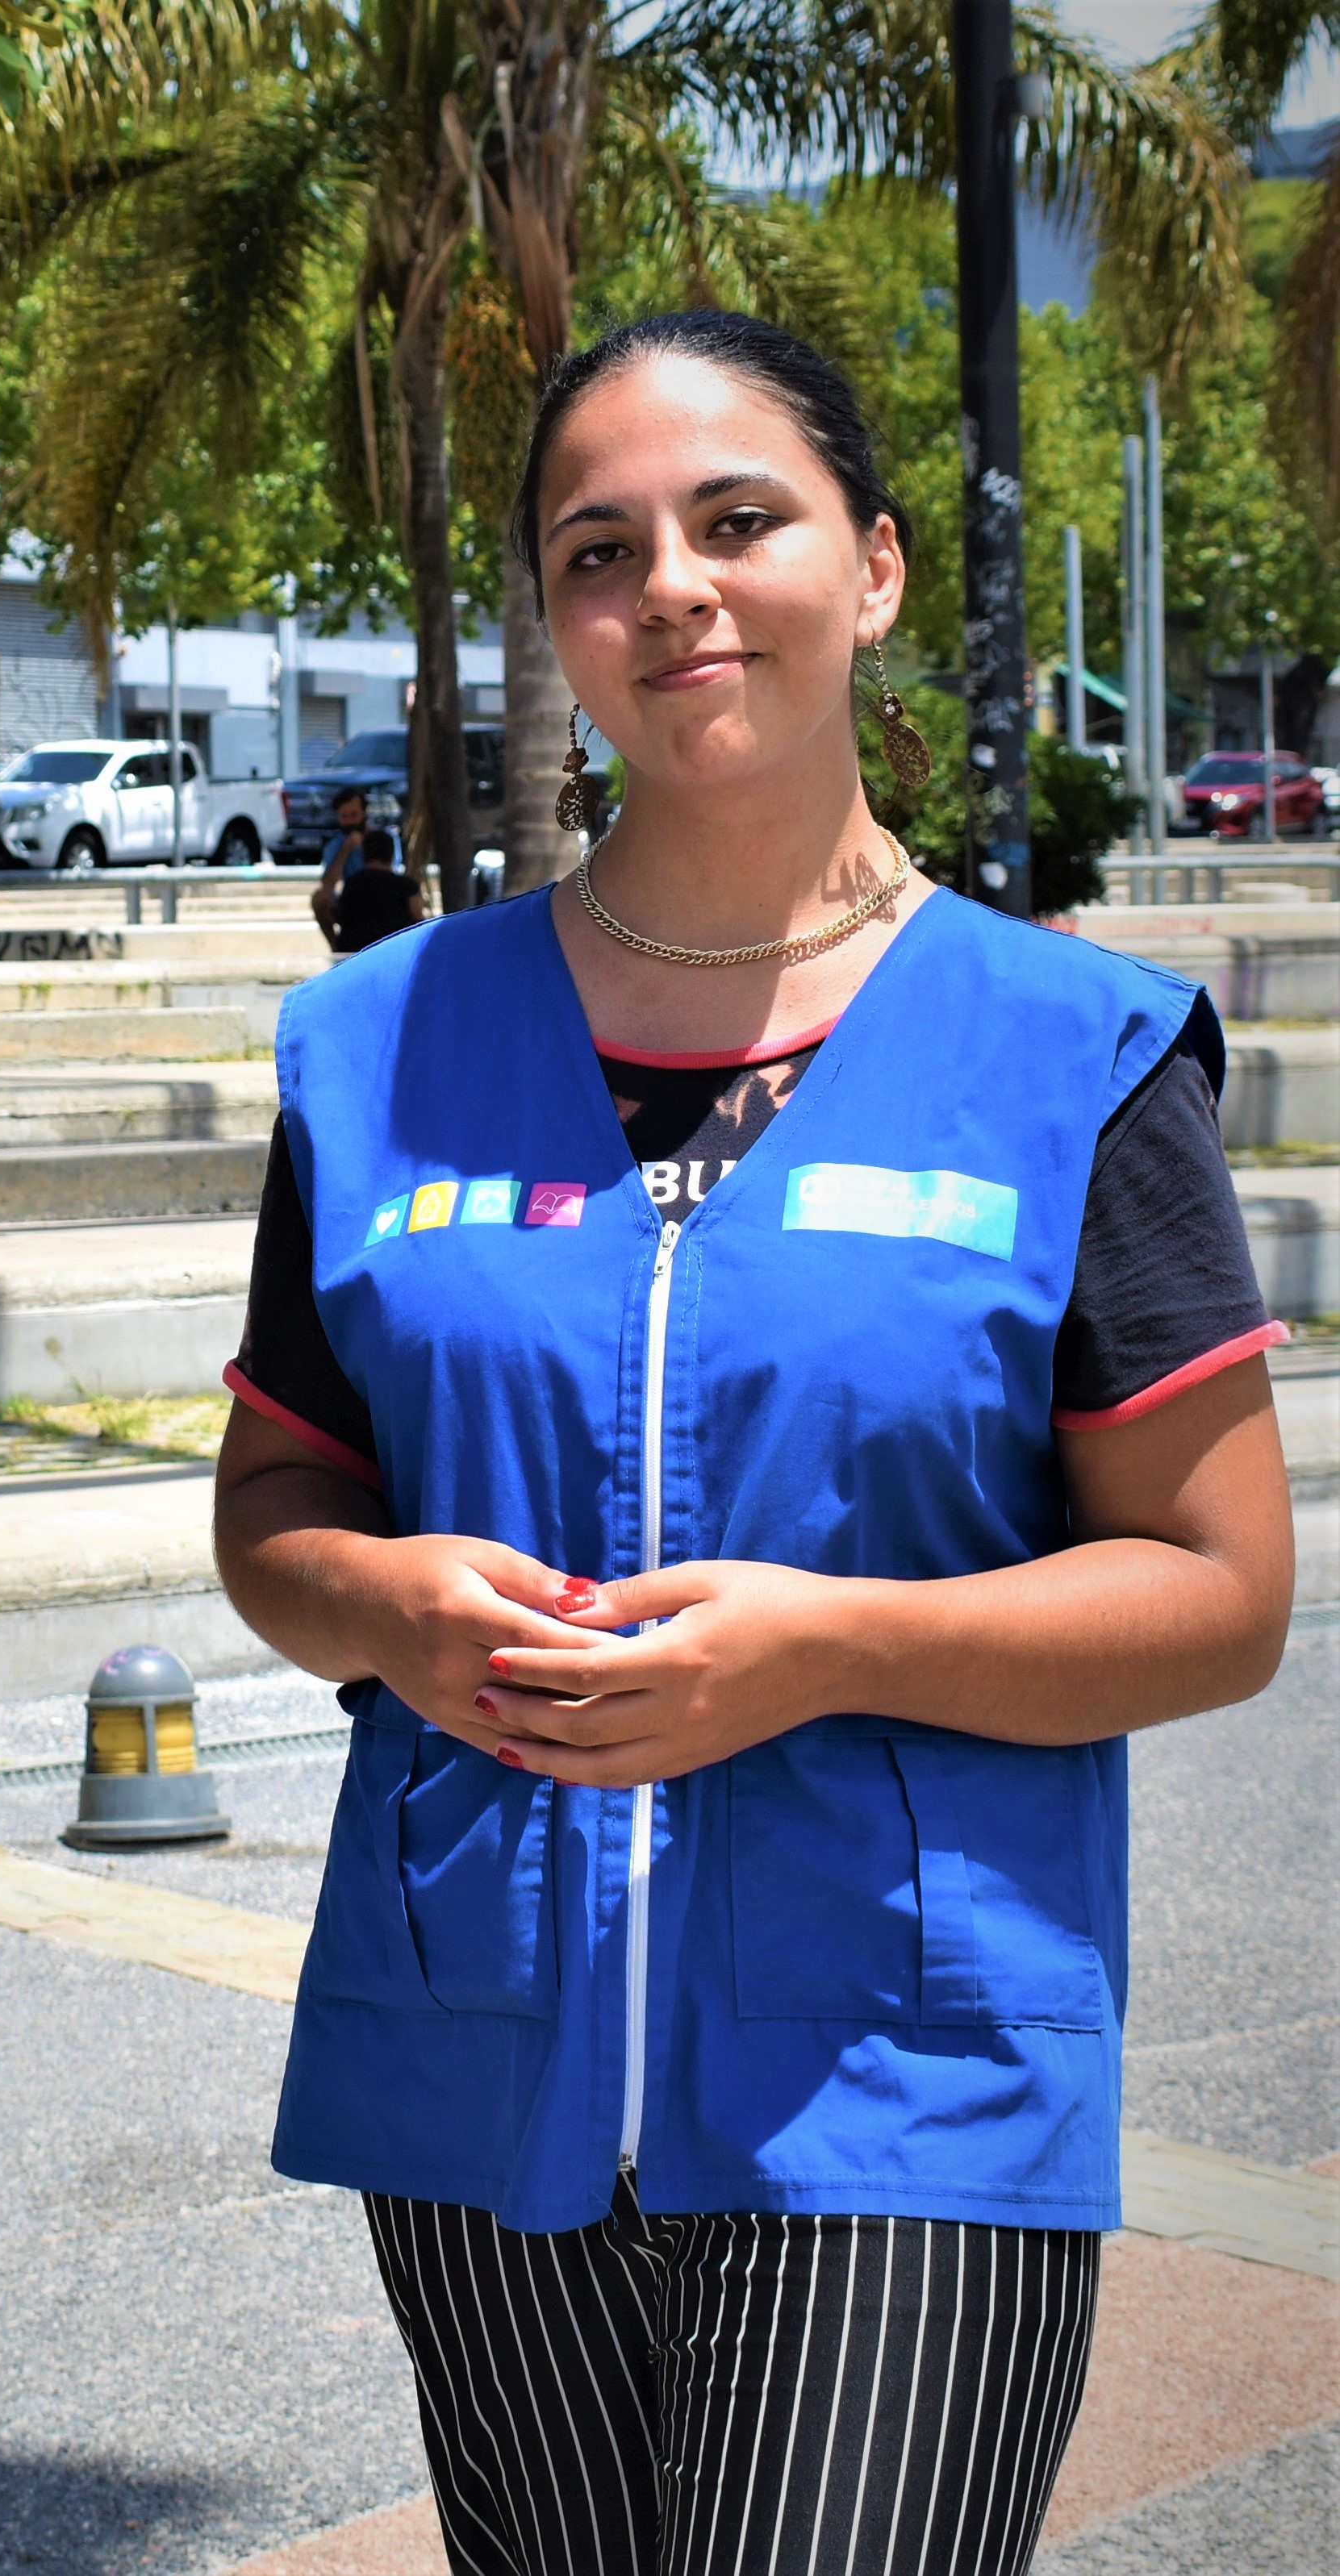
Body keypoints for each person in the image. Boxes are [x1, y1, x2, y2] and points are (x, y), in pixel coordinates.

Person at [215, 309, 1292, 2574]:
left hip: (903, 2073)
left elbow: (1215, 1593)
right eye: (600, 549)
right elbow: (281, 1502)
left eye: (738, 521)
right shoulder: (374, 1046)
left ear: (874, 568)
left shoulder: (1070, 1053)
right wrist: (382, 1604)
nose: (672, 588)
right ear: (552, 619)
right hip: (479, 2058)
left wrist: (826, 1648)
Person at [311, 784, 421, 948]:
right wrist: (346, 850)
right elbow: (328, 885)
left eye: (354, 815)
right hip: (354, 897)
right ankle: (336, 948)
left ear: (364, 813)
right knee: (320, 898)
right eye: (344, 816)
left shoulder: (385, 838)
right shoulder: (336, 845)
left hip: (385, 896)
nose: (349, 822)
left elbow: (392, 871)